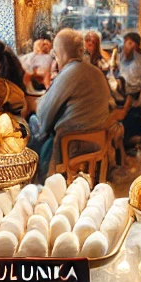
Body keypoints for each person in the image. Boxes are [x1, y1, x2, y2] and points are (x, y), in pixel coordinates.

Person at [27, 28, 111, 181]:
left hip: (71, 145)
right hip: (97, 141)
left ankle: (35, 182)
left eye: (56, 55)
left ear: (60, 53)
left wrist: (34, 105)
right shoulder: (95, 72)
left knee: (33, 123)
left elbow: (44, 117)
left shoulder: (69, 73)